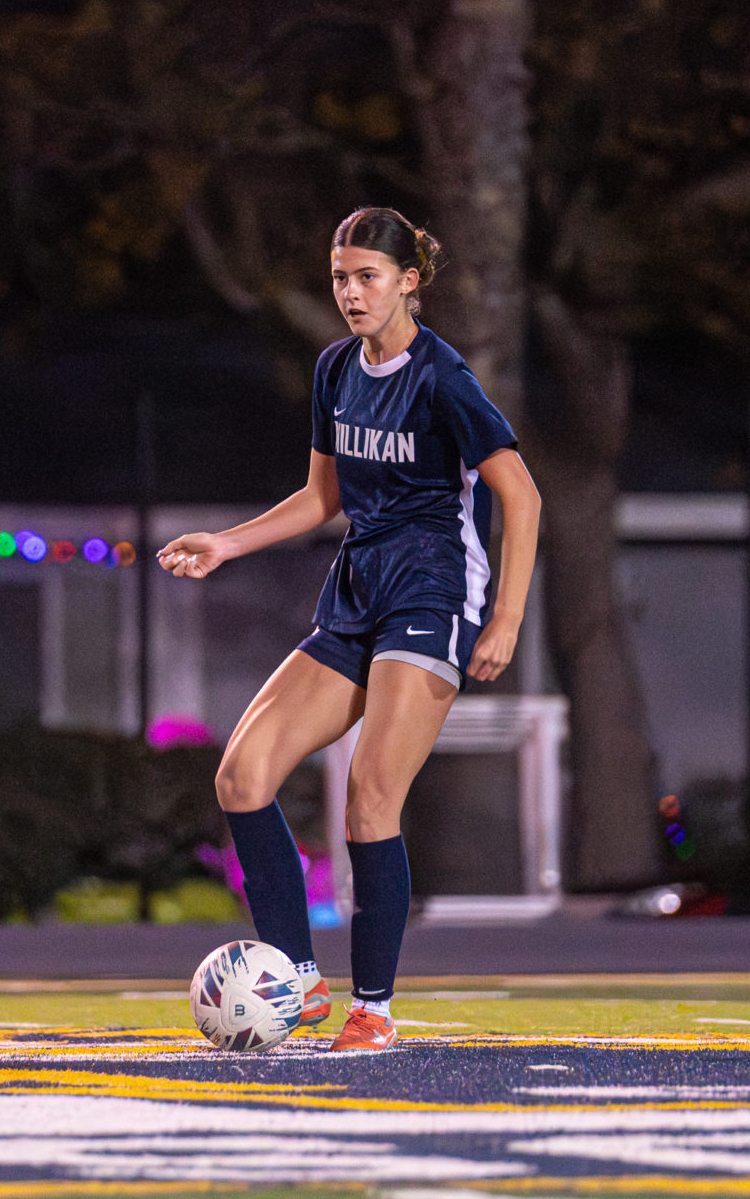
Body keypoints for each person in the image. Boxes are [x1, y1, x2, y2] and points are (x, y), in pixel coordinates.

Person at [158, 206, 541, 1053]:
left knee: (370, 796)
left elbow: (522, 493)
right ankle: (299, 981)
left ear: (409, 280)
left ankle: (374, 1007)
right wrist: (226, 543)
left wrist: (505, 616)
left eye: (368, 276)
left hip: (431, 594)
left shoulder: (442, 376)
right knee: (242, 776)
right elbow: (322, 497)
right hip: (357, 593)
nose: (352, 292)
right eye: (340, 277)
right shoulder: (335, 368)